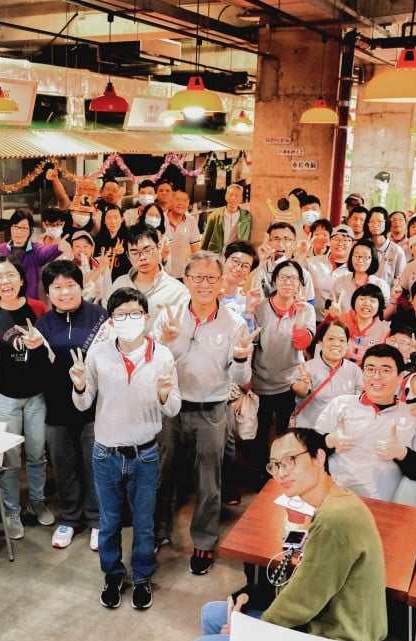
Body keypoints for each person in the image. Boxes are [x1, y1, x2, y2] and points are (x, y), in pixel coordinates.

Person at [187, 428, 387, 641]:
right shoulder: (338, 501)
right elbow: (306, 585)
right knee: (211, 613)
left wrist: (253, 632)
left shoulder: (335, 519)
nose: (281, 473)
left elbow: (303, 601)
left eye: (290, 461)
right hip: (323, 622)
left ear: (319, 457)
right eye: (275, 465)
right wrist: (251, 595)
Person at [70, 287, 181, 610]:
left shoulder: (162, 355)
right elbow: (83, 404)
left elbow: (174, 407)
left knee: (144, 523)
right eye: (120, 315)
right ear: (111, 320)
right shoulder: (98, 354)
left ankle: (143, 576)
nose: (128, 320)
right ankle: (113, 574)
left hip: (145, 454)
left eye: (134, 314)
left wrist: (164, 394)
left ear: (146, 318)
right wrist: (79, 386)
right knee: (109, 522)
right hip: (106, 453)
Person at [152, 251, 254, 574]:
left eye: (211, 278)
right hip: (171, 408)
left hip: (212, 410)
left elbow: (241, 377)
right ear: (186, 280)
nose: (204, 284)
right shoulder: (169, 316)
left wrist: (241, 358)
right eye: (197, 277)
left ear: (222, 282)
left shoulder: (234, 323)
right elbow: (154, 365)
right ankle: (158, 530)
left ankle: (205, 541)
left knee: (209, 481)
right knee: (163, 474)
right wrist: (166, 343)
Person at [0, 257, 52, 539]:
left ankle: (37, 500)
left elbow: (47, 352)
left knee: (37, 453)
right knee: (9, 458)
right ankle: (11, 510)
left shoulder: (38, 308)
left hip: (37, 394)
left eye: (10, 275)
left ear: (21, 279)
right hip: (5, 396)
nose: (5, 281)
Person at [35, 260, 109, 550]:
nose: (64, 292)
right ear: (48, 292)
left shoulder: (99, 317)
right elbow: (39, 368)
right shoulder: (42, 324)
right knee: (63, 464)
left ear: (81, 286)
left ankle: (97, 520)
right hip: (57, 407)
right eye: (57, 287)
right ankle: (69, 518)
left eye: (70, 285)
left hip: (94, 407)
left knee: (94, 464)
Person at [316, 344, 416, 502]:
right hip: (327, 496)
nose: (376, 377)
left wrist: (402, 453)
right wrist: (329, 441)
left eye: (385, 371)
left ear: (400, 377)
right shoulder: (339, 403)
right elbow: (308, 450)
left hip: (377, 504)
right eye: (370, 369)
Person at [246, 260, 316, 478]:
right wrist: (247, 377)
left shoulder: (307, 310)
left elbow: (301, 343)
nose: (288, 282)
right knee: (260, 432)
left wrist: (300, 315)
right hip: (261, 381)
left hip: (289, 382)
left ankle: (283, 475)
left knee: (285, 434)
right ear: (275, 280)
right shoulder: (260, 308)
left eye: (293, 278)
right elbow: (250, 345)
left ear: (300, 284)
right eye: (283, 277)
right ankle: (260, 473)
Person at [106, 224, 190, 334]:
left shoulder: (177, 292)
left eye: (147, 250)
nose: (142, 257)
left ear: (159, 247)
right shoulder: (119, 284)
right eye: (135, 253)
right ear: (128, 256)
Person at [289, 321, 363, 428]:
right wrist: (304, 384)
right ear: (320, 343)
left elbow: (358, 402)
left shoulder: (355, 370)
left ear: (347, 345)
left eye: (342, 340)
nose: (336, 344)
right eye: (331, 339)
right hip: (310, 429)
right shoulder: (306, 368)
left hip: (340, 431)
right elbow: (300, 392)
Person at [0, 207, 70, 300]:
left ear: (29, 231)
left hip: (29, 301)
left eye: (23, 228)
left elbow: (45, 252)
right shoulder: (1, 249)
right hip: (6, 300)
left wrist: (57, 248)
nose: (19, 231)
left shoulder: (36, 249)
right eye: (15, 227)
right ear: (10, 228)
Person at [253, 222, 315, 302]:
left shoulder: (304, 274)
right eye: (276, 238)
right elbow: (250, 294)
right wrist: (262, 262)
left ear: (294, 244)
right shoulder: (260, 269)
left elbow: (310, 303)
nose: (280, 244)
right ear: (268, 242)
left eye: (286, 239)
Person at [327, 240, 388, 318]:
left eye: (365, 256)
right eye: (356, 255)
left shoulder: (380, 284)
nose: (360, 260)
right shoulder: (340, 281)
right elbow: (329, 307)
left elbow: (385, 315)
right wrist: (333, 314)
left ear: (373, 259)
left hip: (371, 325)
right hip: (343, 324)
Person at [306, 224, 353, 321]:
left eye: (345, 240)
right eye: (336, 239)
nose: (340, 243)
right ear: (329, 241)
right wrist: (301, 253)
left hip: (342, 324)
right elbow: (292, 273)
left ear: (352, 244)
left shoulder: (356, 269)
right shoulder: (311, 262)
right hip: (313, 320)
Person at [343, 284, 391, 364]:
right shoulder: (342, 320)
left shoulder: (384, 331)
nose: (366, 303)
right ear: (354, 301)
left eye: (372, 301)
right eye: (362, 299)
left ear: (379, 306)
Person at [218, 240, 259, 329]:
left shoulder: (245, 303)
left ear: (248, 273)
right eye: (235, 261)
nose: (238, 268)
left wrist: (249, 310)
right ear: (224, 260)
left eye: (245, 266)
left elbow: (247, 334)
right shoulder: (205, 289)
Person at [200, 184, 252, 254]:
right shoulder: (214, 216)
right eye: (231, 195)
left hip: (235, 255)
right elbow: (205, 240)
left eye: (237, 196)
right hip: (217, 254)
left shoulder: (246, 217)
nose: (233, 198)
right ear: (226, 197)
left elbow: (248, 240)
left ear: (241, 199)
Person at [164, 190, 202, 279]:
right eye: (177, 199)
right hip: (162, 274)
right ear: (171, 201)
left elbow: (196, 249)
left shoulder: (191, 221)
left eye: (185, 200)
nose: (181, 203)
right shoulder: (161, 219)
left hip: (182, 274)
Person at [366, 206, 406, 286]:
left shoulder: (396, 251)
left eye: (379, 221)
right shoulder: (362, 247)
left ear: (386, 223)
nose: (375, 225)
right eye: (372, 221)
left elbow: (401, 280)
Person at [94, 206, 131, 280]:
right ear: (104, 221)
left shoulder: (129, 239)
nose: (113, 221)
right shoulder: (97, 240)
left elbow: (133, 265)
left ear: (122, 219)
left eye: (116, 217)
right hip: (101, 280)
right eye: (109, 218)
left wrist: (123, 252)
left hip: (122, 280)